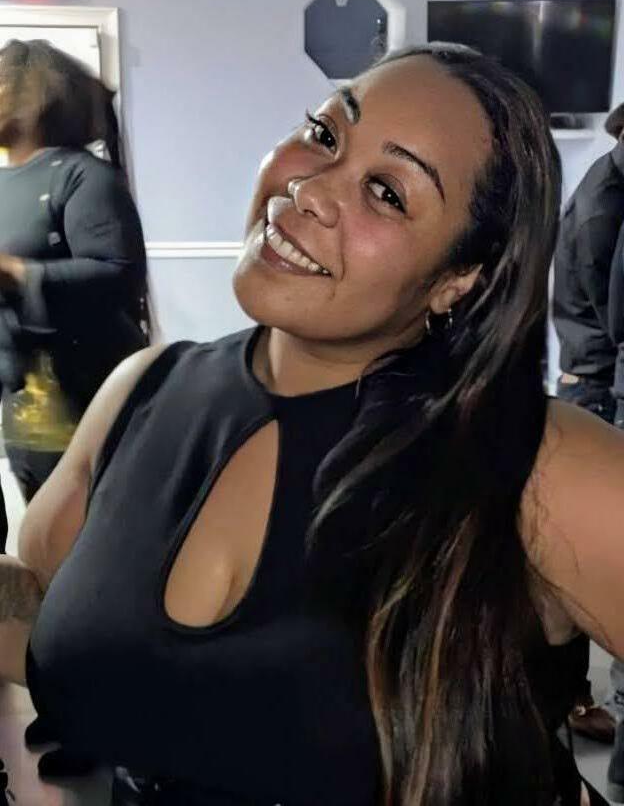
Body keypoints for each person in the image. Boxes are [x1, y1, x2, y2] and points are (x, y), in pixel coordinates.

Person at [0, 43, 623, 806]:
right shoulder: (140, 389)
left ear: (460, 279)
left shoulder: (539, 463)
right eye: (325, 134)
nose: (310, 186)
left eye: (387, 192)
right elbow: (56, 621)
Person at [0, 39, 151, 525]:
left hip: (85, 396)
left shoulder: (83, 177)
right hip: (23, 398)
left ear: (31, 97)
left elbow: (118, 273)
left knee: (92, 531)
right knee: (43, 527)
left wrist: (18, 273)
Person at [552, 101, 624, 757]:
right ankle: (573, 700)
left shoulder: (608, 181)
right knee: (581, 561)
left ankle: (574, 698)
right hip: (595, 388)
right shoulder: (606, 202)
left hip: (590, 381)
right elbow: (614, 319)